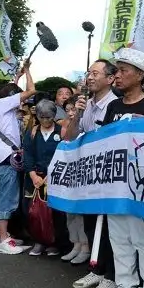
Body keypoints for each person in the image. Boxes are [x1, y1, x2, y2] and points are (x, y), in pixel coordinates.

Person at [98, 48, 144, 288]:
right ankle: (126, 284)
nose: (118, 75)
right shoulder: (113, 107)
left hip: (143, 184)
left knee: (143, 239)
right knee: (119, 237)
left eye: (124, 70)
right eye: (117, 70)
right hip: (116, 182)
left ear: (140, 75)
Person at [64, 59, 119, 288]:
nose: (90, 77)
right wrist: (75, 115)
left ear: (110, 78)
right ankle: (96, 268)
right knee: (90, 222)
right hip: (89, 173)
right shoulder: (85, 104)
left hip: (108, 174)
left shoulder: (115, 105)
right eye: (89, 73)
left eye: (96, 73)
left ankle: (110, 274)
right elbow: (73, 136)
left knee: (108, 226)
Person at [0, 59, 37, 254]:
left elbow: (13, 89)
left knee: (4, 197)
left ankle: (5, 236)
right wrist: (28, 72)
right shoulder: (3, 104)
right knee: (7, 199)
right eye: (19, 97)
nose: (23, 101)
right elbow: (31, 90)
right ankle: (3, 239)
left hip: (3, 159)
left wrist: (19, 75)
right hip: (5, 159)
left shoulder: (2, 107)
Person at [22, 99, 67, 256]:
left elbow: (64, 154)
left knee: (56, 213)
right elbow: (27, 154)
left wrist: (51, 175)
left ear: (54, 116)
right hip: (35, 177)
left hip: (56, 177)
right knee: (33, 212)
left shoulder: (61, 131)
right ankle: (38, 241)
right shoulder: (32, 133)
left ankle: (55, 243)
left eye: (49, 117)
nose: (46, 120)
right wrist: (33, 175)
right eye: (42, 117)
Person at [60, 96, 90, 265]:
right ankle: (76, 244)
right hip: (69, 172)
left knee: (81, 212)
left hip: (84, 173)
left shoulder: (85, 124)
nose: (71, 113)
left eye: (74, 109)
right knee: (70, 211)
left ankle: (85, 247)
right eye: (68, 110)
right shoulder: (65, 126)